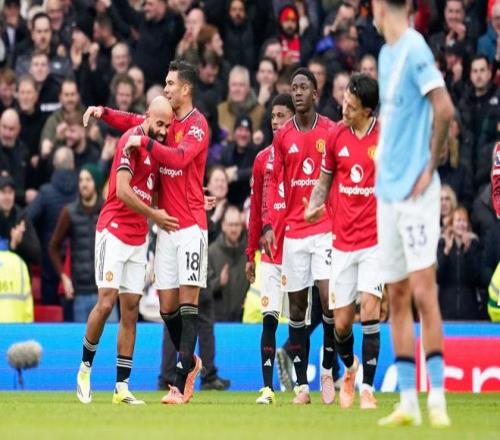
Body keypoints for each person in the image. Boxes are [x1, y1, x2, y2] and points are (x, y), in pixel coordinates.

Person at [97, 60, 210, 405]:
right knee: (166, 308)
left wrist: (144, 145)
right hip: (165, 227)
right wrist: (102, 112)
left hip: (190, 225)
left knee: (188, 304)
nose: (166, 88)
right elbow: (134, 120)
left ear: (185, 88)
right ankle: (191, 361)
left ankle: (179, 382)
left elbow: (179, 159)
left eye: (171, 83)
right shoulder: (166, 121)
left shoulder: (197, 126)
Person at [372, 0, 455, 427]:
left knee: (424, 291)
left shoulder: (415, 48)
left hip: (416, 192)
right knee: (398, 294)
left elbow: (445, 109)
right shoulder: (385, 55)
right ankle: (408, 401)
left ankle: (437, 398)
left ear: (381, 7)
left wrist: (429, 166)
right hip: (386, 193)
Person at [75, 96, 176, 406]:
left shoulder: (156, 146)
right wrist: (154, 214)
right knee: (106, 303)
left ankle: (121, 387)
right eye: (160, 124)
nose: (164, 131)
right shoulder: (129, 141)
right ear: (148, 117)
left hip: (138, 237)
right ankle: (85, 369)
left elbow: (158, 189)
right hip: (114, 230)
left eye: (168, 126)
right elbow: (121, 190)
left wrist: (194, 198)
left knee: (130, 310)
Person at [305, 73, 382, 409]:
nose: (344, 109)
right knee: (341, 324)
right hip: (342, 242)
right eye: (344, 102)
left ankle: (367, 389)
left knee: (371, 310)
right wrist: (313, 205)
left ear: (367, 110)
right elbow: (324, 181)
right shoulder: (336, 134)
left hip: (375, 241)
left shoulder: (384, 137)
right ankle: (350, 368)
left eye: (351, 106)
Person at [262, 68, 336, 405]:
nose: (298, 92)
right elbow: (272, 183)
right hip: (293, 231)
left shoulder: (330, 131)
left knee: (329, 299)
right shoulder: (283, 138)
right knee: (297, 308)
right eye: (294, 88)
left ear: (315, 93)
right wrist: (268, 224)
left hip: (324, 228)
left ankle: (328, 370)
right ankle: (302, 386)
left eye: (304, 87)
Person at [246, 93, 294, 404]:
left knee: (303, 318)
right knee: (269, 318)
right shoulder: (262, 159)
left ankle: (302, 385)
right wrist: (250, 253)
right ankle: (267, 388)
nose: (276, 121)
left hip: (300, 249)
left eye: (281, 116)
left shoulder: (303, 154)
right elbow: (255, 212)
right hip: (271, 254)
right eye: (273, 116)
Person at [48, 165, 116, 323]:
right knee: (83, 337)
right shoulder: (69, 212)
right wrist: (64, 277)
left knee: (111, 336)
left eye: (88, 179)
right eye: (81, 180)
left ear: (96, 182)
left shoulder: (108, 209)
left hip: (107, 290)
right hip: (81, 293)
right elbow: (53, 246)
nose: (84, 184)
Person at [27, 147, 77, 305]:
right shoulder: (82, 192)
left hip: (49, 261)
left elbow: (26, 219)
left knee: (49, 309)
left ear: (54, 165)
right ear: (73, 165)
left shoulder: (45, 192)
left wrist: (35, 244)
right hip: (76, 262)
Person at [437, 206, 483, 320]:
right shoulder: (442, 243)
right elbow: (438, 277)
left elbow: (477, 278)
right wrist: (446, 251)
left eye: (464, 221)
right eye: (458, 220)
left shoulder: (474, 245)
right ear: (452, 223)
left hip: (469, 310)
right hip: (446, 309)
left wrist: (467, 252)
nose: (461, 224)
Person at [208, 205, 249, 322]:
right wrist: (219, 282)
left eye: (237, 225)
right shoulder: (211, 252)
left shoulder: (249, 253)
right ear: (223, 226)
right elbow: (202, 290)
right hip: (218, 322)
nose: (234, 229)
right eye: (230, 225)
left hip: (245, 320)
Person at [0, 173, 40, 266]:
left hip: (18, 272)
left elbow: (36, 255)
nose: (7, 197)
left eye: (10, 192)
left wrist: (21, 242)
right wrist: (12, 245)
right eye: (3, 192)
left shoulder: (22, 217)